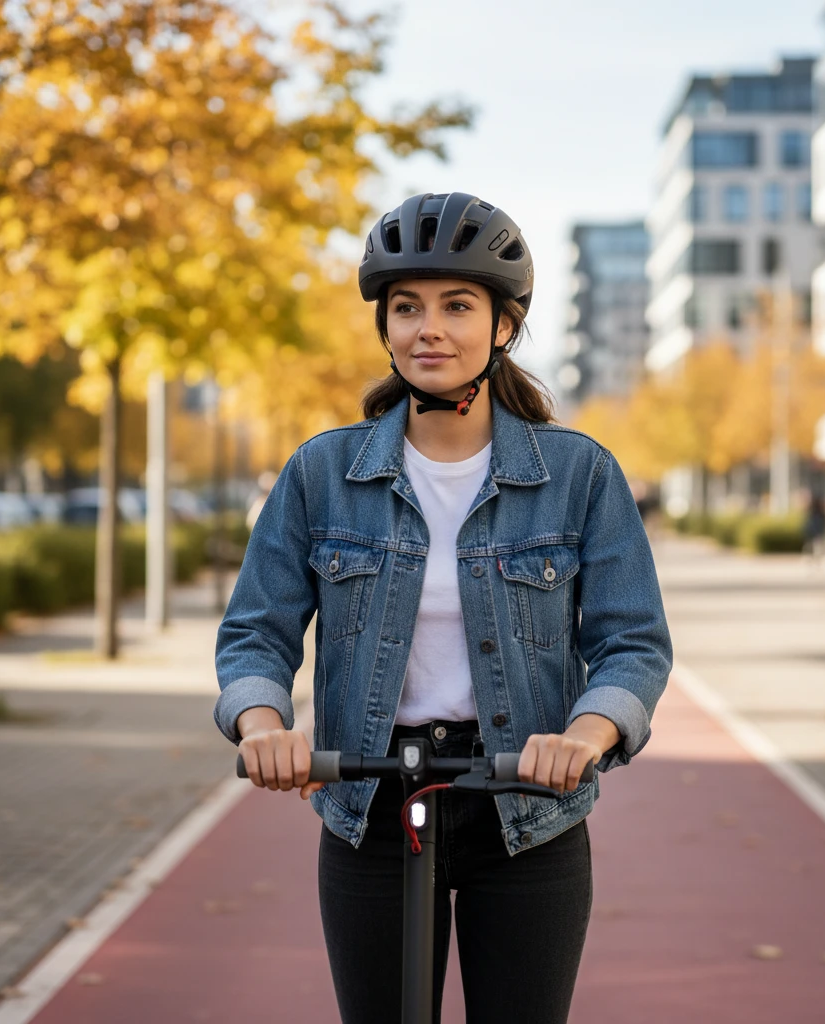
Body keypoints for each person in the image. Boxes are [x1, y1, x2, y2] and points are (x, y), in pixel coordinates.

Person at [214, 192, 673, 1023]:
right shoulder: (322, 474)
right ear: (384, 326)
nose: (429, 327)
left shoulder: (579, 476)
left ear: (503, 327)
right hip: (370, 806)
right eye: (406, 307)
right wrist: (260, 725)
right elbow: (255, 631)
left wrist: (583, 737)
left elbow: (631, 642)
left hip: (526, 811)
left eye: (457, 305)